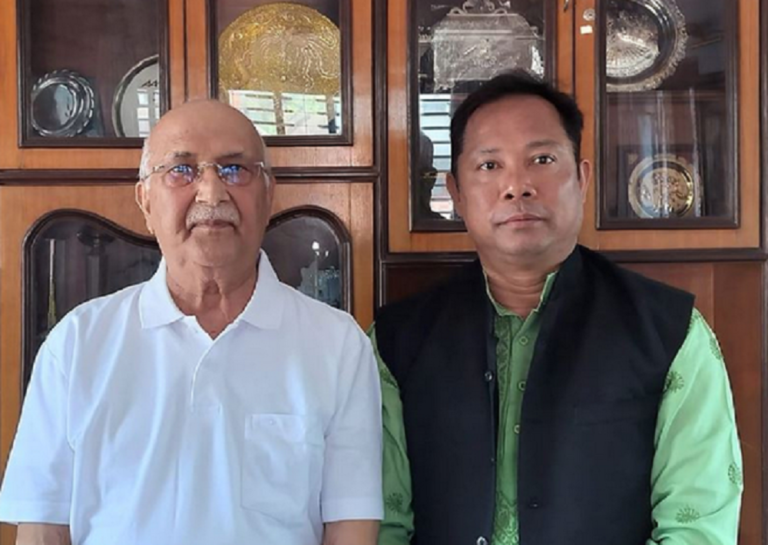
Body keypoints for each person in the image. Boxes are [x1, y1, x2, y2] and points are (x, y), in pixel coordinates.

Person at [373, 71, 743, 545]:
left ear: (582, 178)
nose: (517, 186)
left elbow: (696, 528)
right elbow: (380, 523)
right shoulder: (395, 343)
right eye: (489, 165)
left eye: (542, 159)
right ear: (457, 193)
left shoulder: (670, 334)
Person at [0, 100, 383, 545]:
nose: (211, 193)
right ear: (145, 199)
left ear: (268, 194)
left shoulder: (336, 345)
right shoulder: (78, 343)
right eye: (181, 170)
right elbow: (43, 528)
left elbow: (351, 526)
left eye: (235, 169)